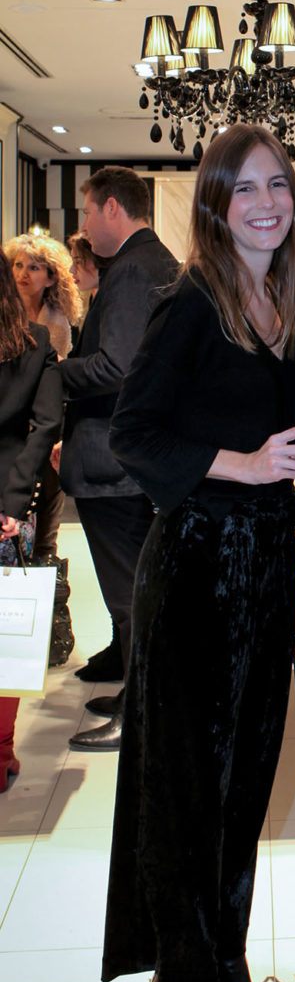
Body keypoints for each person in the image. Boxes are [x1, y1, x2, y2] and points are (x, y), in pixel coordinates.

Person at [101, 124, 295, 982]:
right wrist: (249, 462)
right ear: (216, 206)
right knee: (188, 783)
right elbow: (134, 435)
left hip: (264, 565)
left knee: (246, 779)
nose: (266, 203)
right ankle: (183, 978)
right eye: (246, 189)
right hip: (195, 564)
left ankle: (224, 964)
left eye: (278, 185)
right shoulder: (192, 299)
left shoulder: (282, 301)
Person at [59, 167, 177, 747]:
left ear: (112, 208)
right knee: (135, 593)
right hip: (134, 457)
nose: (83, 226)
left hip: (113, 457)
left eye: (86, 212)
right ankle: (137, 697)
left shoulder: (131, 269)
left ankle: (142, 716)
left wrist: (52, 374)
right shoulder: (155, 260)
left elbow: (118, 367)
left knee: (131, 596)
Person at [0, 251, 63, 790]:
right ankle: (1, 753)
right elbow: (45, 426)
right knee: (5, 633)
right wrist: (15, 501)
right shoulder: (35, 344)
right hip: (9, 501)